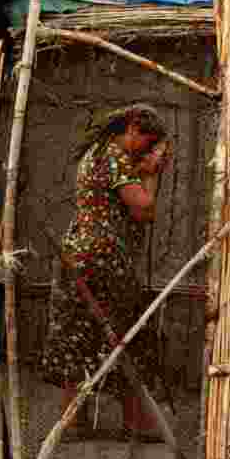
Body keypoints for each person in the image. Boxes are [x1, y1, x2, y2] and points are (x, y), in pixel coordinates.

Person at [38, 104, 172, 441]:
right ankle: (137, 422)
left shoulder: (99, 154)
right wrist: (152, 175)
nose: (145, 149)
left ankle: (73, 422)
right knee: (126, 335)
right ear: (131, 129)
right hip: (103, 262)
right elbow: (143, 209)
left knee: (77, 336)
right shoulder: (114, 156)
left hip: (81, 258)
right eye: (146, 141)